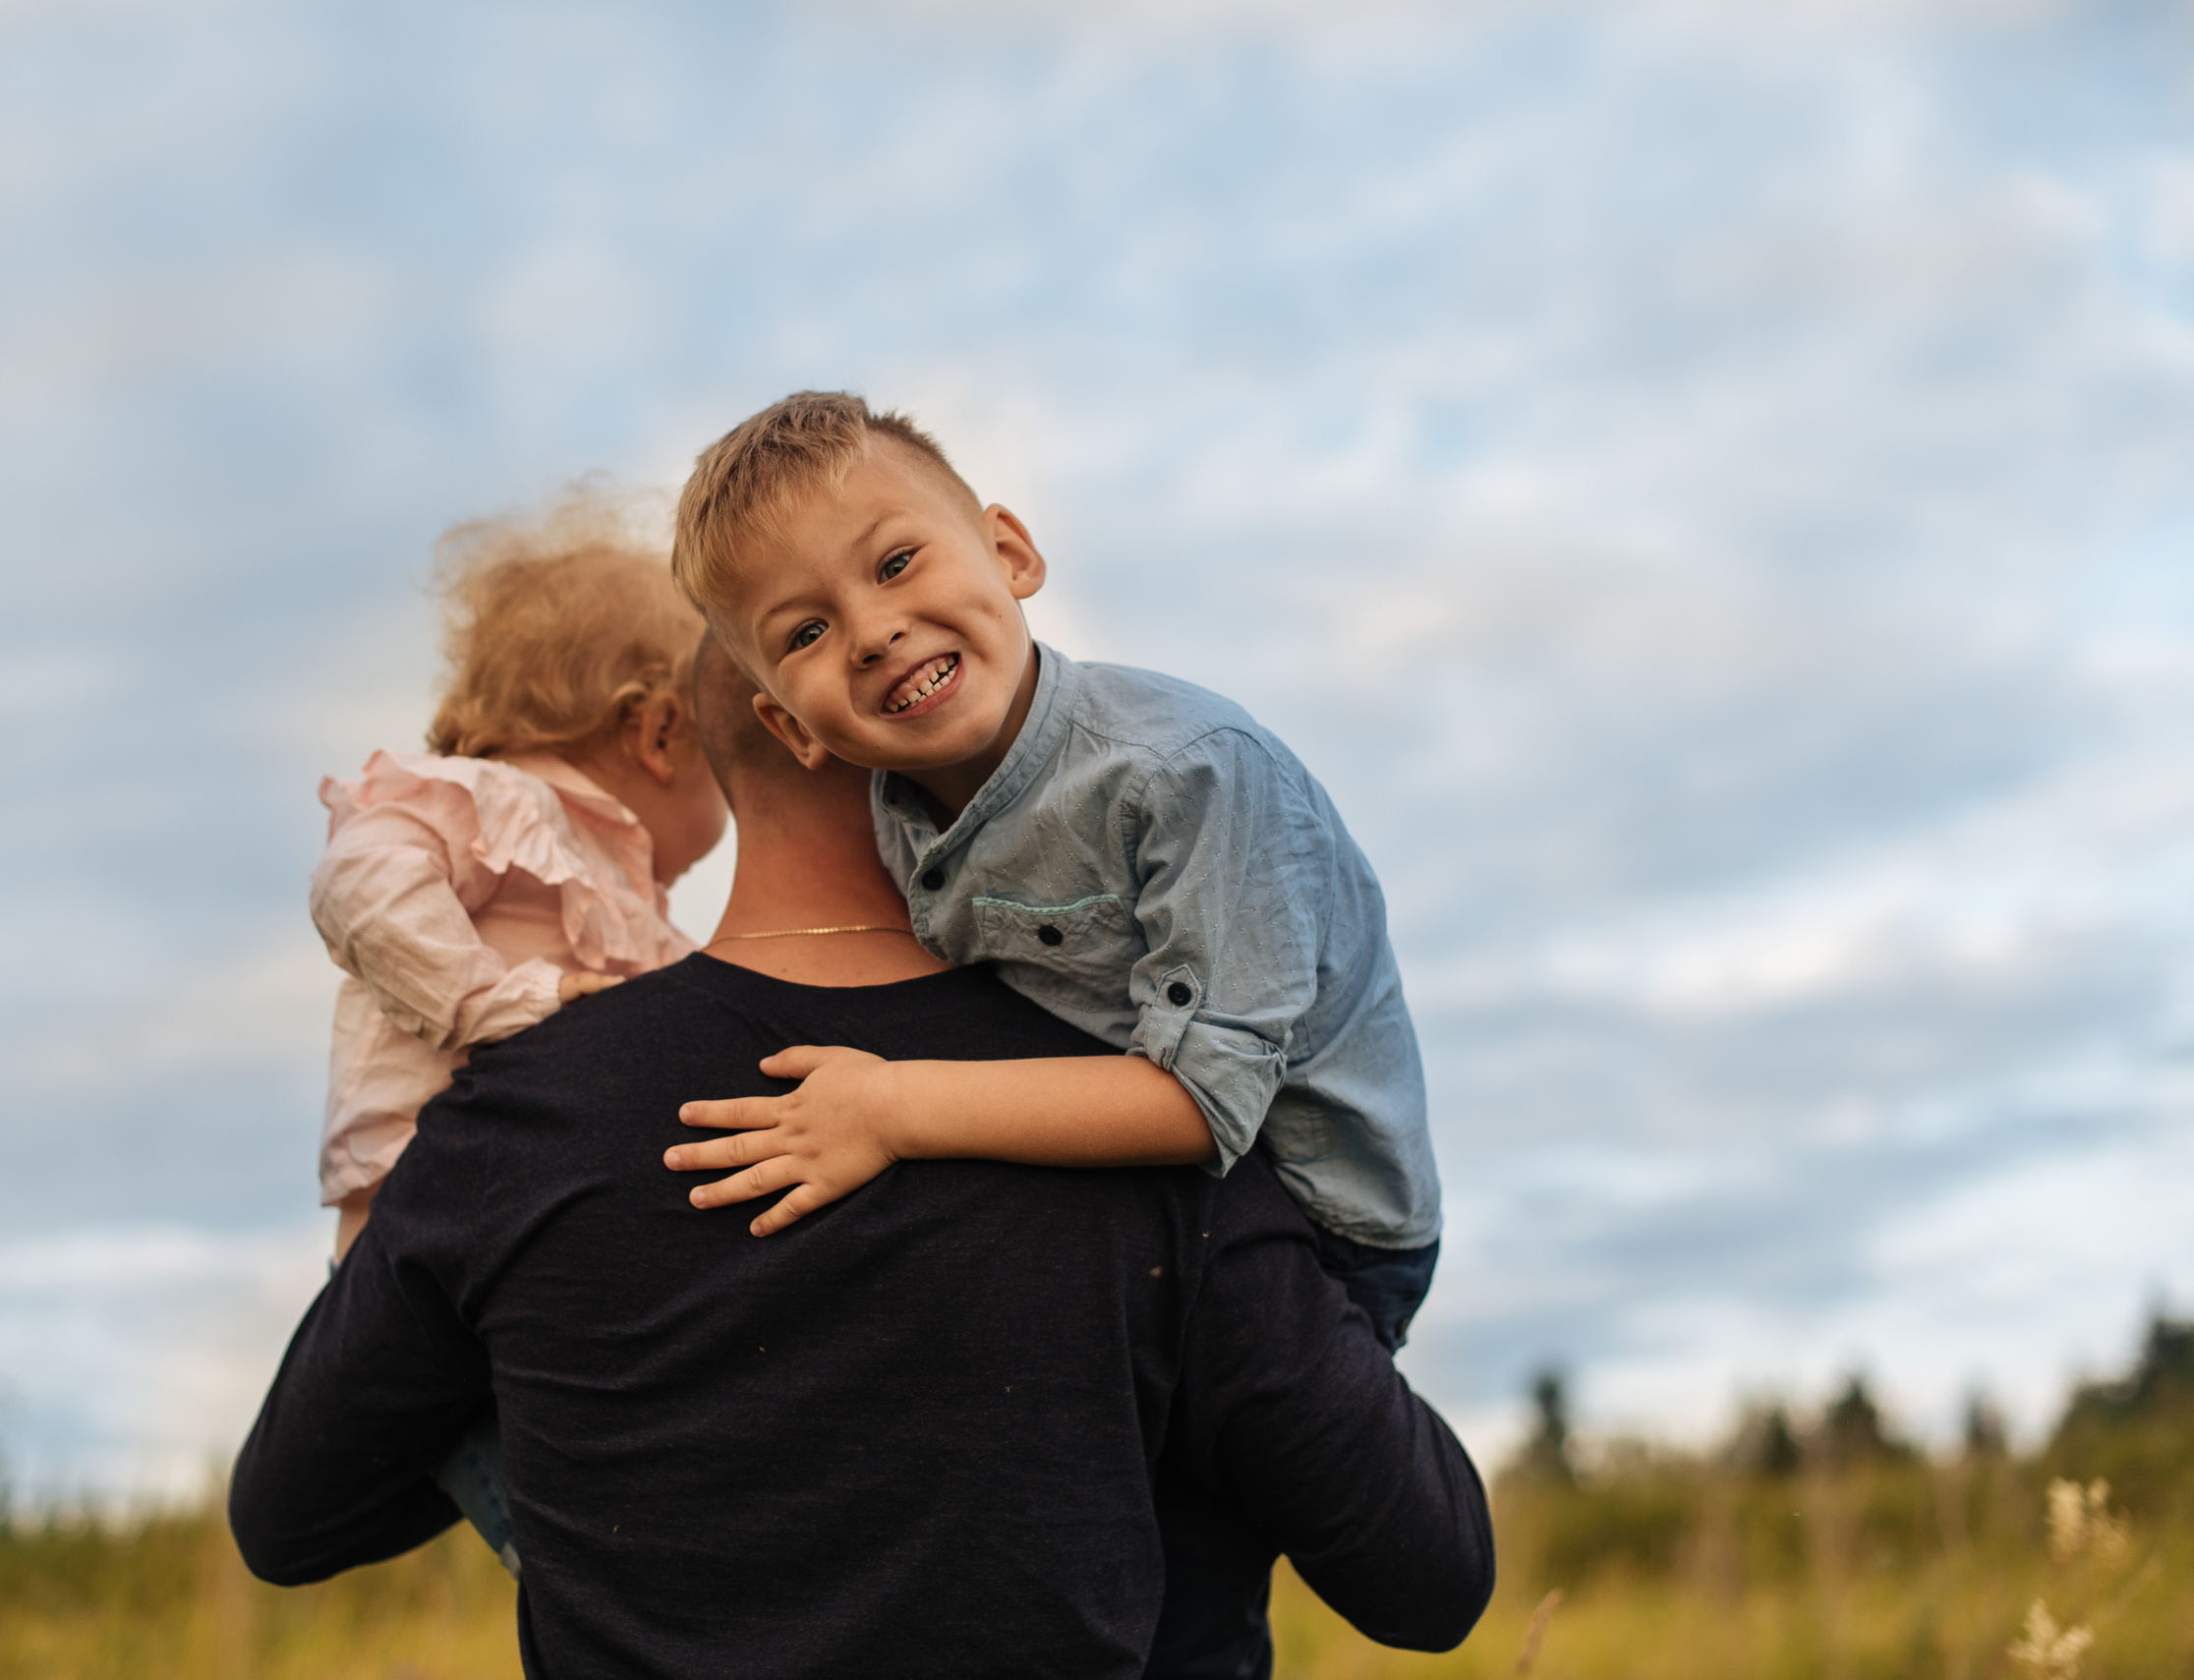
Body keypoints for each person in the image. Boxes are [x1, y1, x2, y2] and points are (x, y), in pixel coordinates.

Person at [228, 638, 1495, 1679]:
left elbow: (290, 1516)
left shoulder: (521, 1117)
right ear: (816, 723)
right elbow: (1431, 1574)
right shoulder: (1140, 1120)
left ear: (733, 749)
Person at [310, 490, 725, 1263]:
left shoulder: (642, 911)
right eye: (728, 757)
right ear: (662, 732)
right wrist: (493, 1001)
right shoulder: (493, 800)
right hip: (413, 1206)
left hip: (540, 1211)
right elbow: (359, 880)